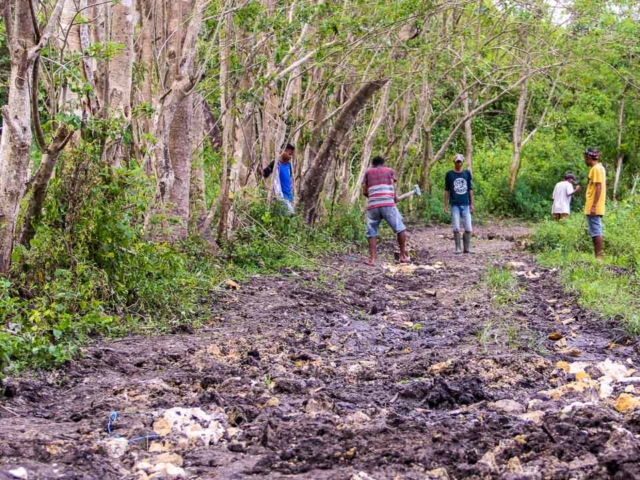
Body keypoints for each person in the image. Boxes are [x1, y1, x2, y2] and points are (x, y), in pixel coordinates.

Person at [362, 156, 409, 266]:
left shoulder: (368, 173)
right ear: (383, 164)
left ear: (372, 164)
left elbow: (364, 191)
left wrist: (373, 197)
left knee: (371, 232)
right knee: (400, 229)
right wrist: (394, 197)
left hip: (373, 206)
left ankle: (372, 259)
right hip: (388, 204)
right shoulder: (389, 171)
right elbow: (392, 185)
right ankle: (403, 256)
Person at [444, 153, 474, 254]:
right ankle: (458, 247)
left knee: (468, 227)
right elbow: (447, 190)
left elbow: (470, 189)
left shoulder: (467, 173)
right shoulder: (449, 174)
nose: (459, 163)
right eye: (457, 162)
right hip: (455, 204)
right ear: (454, 162)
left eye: (460, 161)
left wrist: (472, 203)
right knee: (456, 227)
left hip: (465, 203)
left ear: (462, 162)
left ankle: (467, 248)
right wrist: (446, 204)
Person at [583, 148, 606, 259]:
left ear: (588, 157)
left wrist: (594, 205)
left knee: (596, 230)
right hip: (594, 205)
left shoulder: (596, 169)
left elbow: (599, 186)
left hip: (594, 206)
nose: (584, 160)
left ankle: (598, 257)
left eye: (585, 158)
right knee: (595, 230)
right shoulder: (599, 168)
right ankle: (597, 256)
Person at [263, 144, 295, 214]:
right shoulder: (275, 163)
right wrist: (259, 170)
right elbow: (265, 173)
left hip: (288, 196)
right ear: (283, 151)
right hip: (280, 195)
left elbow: (290, 180)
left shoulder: (289, 165)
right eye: (289, 154)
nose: (290, 157)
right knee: (291, 214)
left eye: (291, 155)